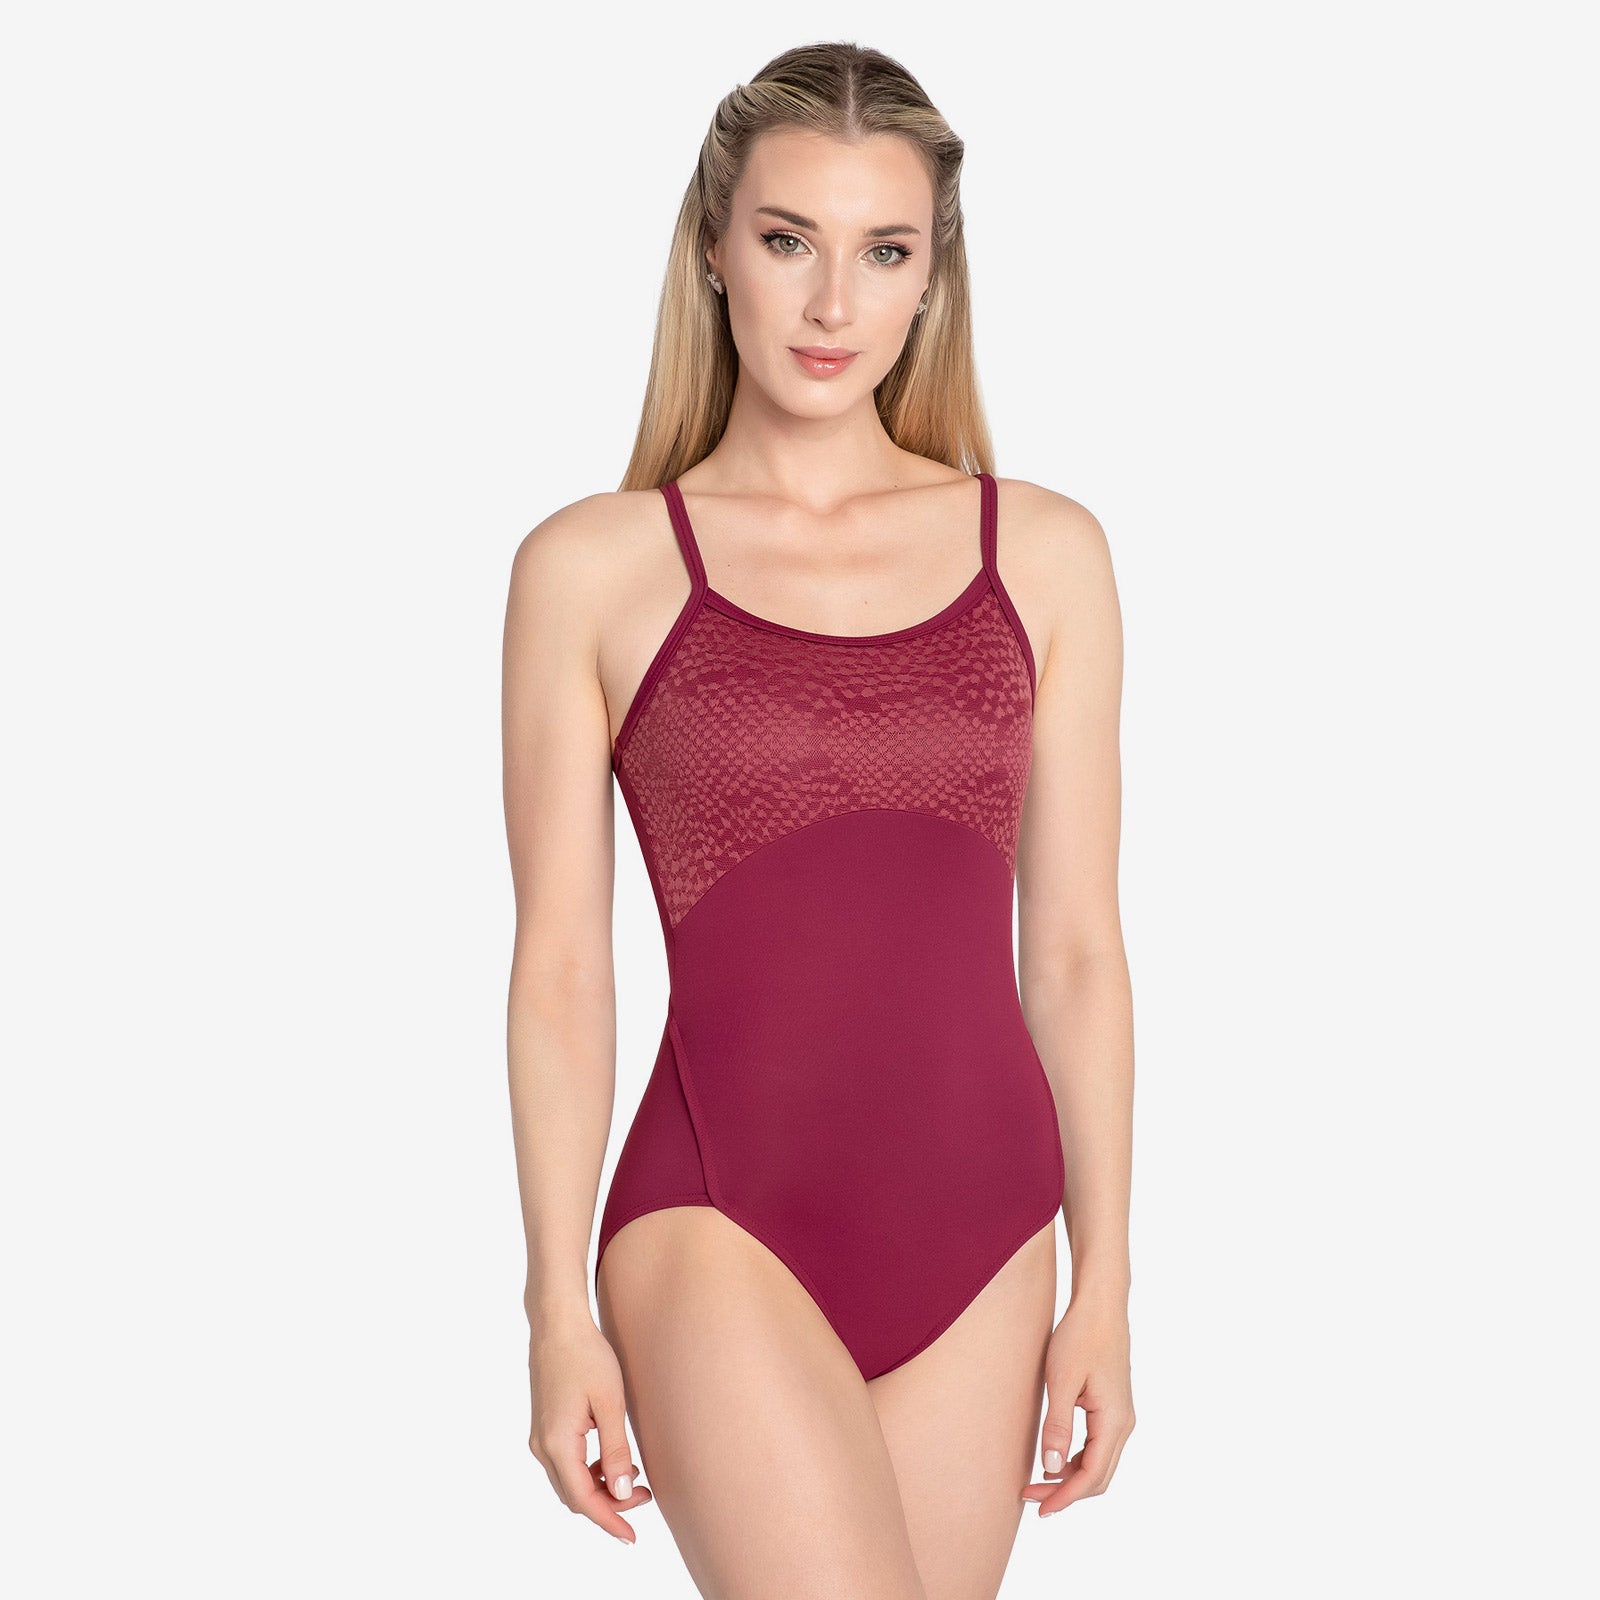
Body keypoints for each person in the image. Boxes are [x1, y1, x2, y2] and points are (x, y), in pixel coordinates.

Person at [502, 40, 1135, 1598]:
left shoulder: (1044, 554)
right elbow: (562, 970)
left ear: (933, 279)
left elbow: (1073, 952)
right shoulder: (592, 568)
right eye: (789, 240)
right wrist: (553, 1308)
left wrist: (1109, 1279)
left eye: (884, 251)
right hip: (719, 1215)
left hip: (988, 1229)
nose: (833, 302)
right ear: (716, 248)